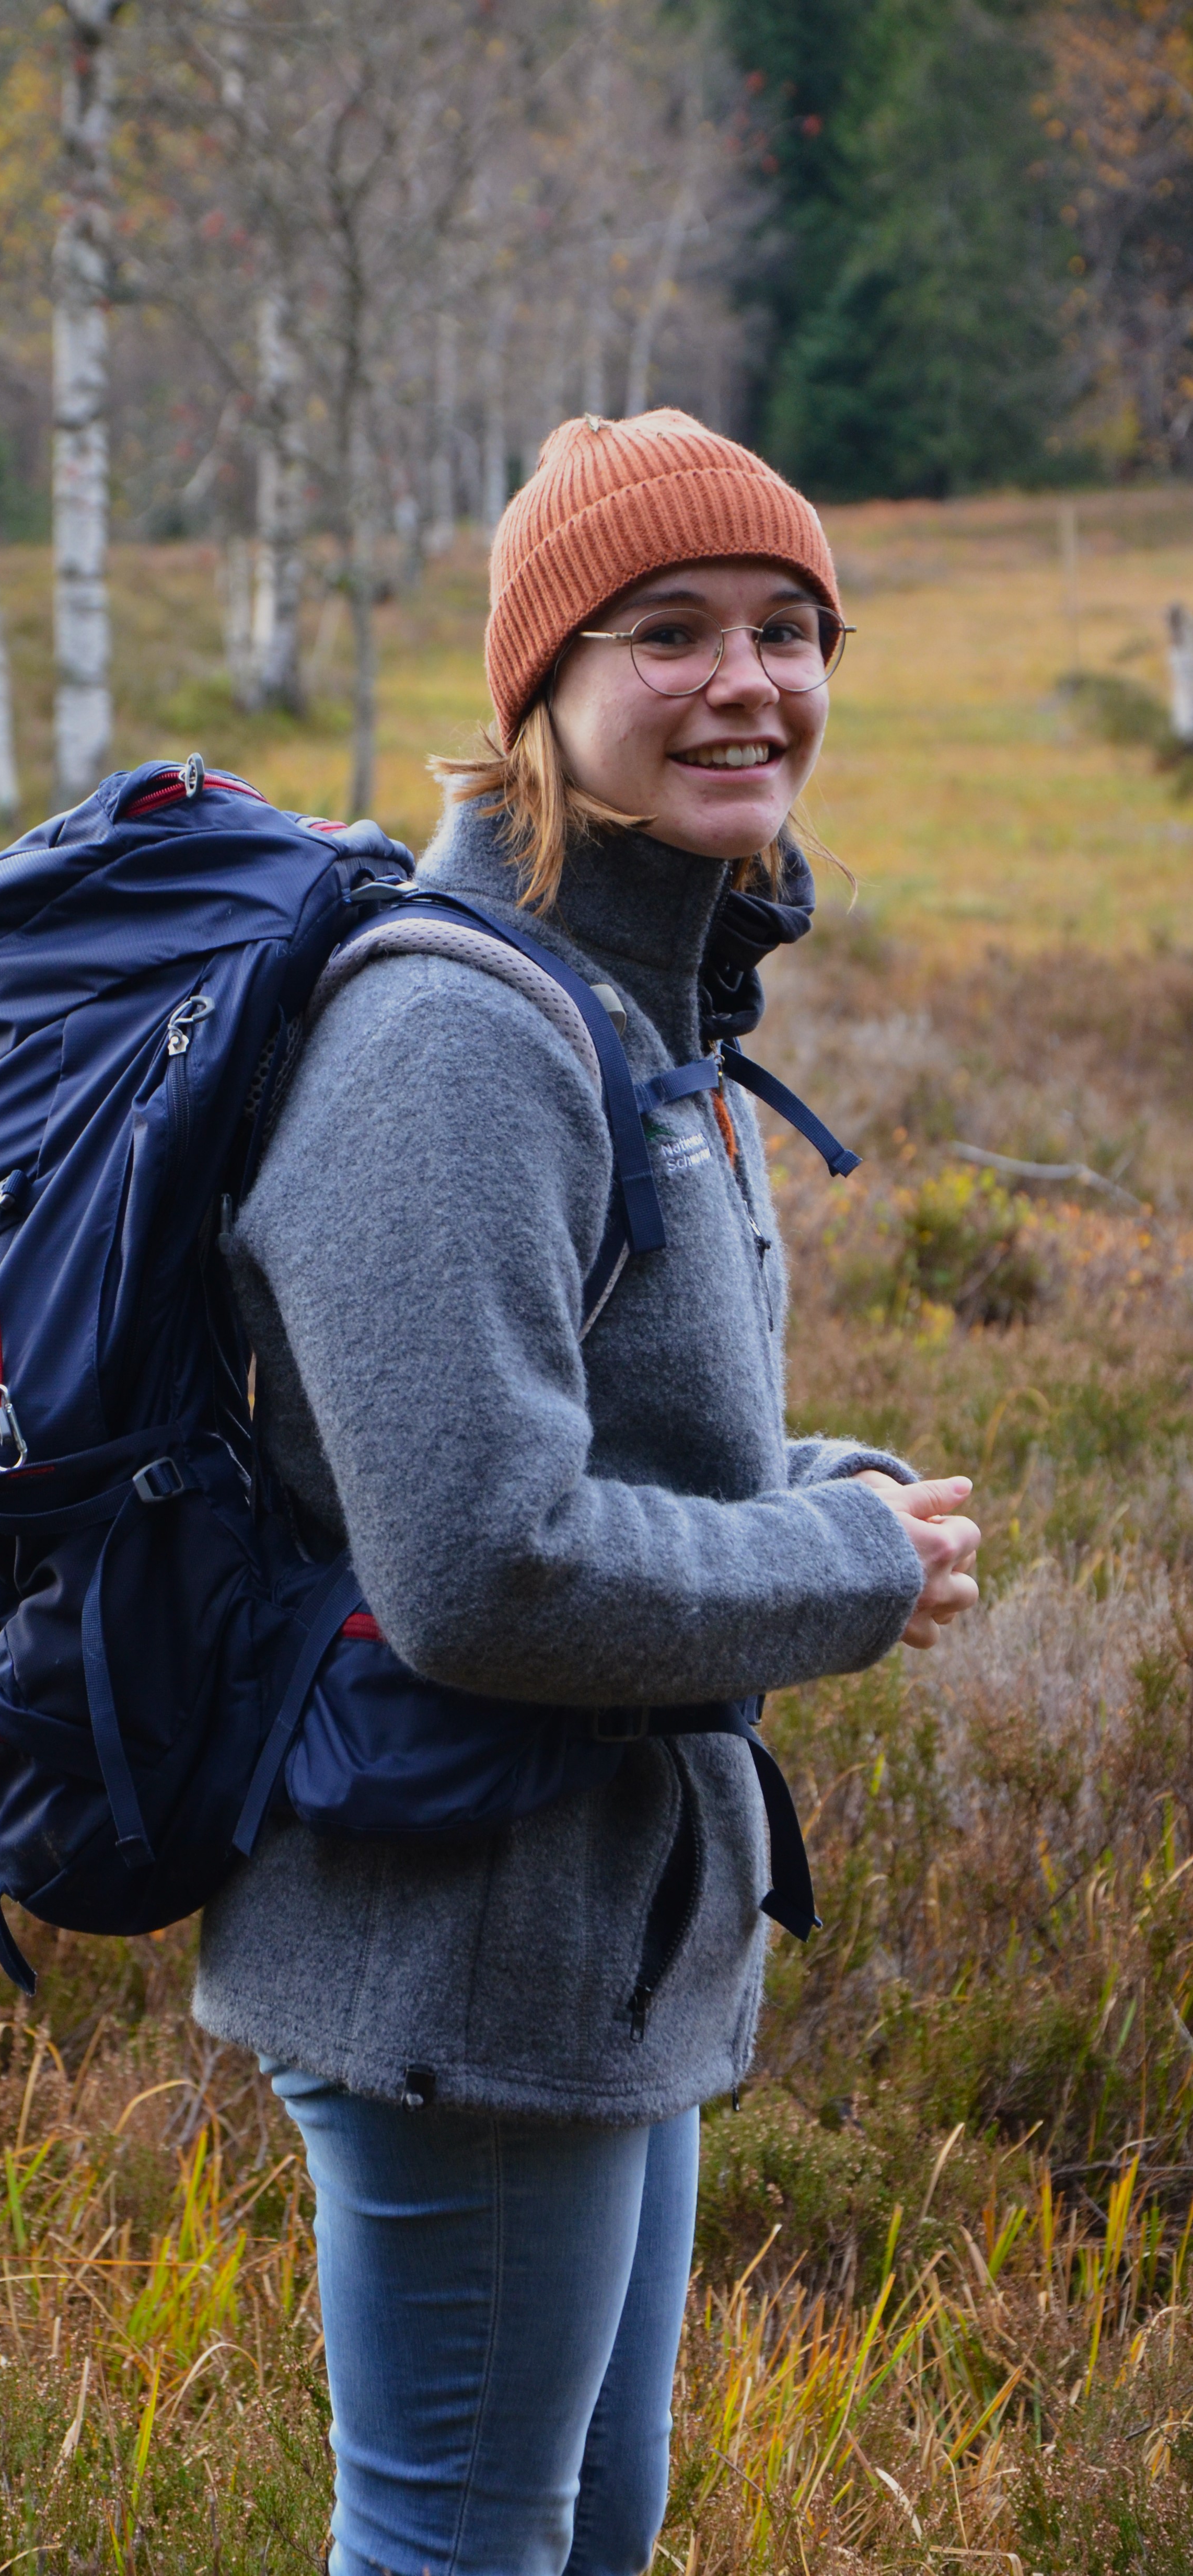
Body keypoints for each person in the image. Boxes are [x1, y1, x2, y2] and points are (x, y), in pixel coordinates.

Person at [193, 410, 982, 2576]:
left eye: (790, 629)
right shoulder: (455, 1038)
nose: (751, 680)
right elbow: (477, 1561)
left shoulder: (650, 1005)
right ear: (543, 685)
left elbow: (597, 1446)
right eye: (671, 632)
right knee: (461, 2543)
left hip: (593, 1935)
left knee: (585, 2527)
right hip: (453, 1936)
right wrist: (829, 1564)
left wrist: (834, 1490)